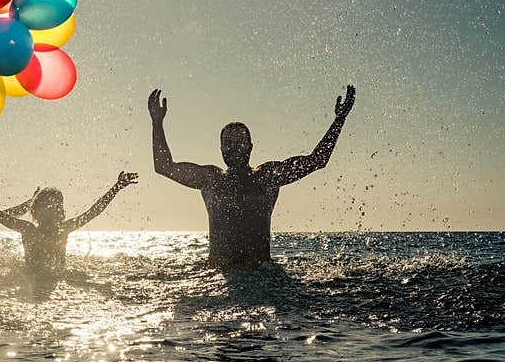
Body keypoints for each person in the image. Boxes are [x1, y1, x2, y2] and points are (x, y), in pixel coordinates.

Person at [149, 85, 356, 269]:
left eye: (238, 142)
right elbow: (164, 167)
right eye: (228, 144)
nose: (233, 148)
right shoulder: (210, 178)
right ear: (221, 149)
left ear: (250, 147)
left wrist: (339, 120)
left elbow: (316, 161)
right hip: (218, 275)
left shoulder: (267, 176)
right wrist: (157, 123)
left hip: (262, 275)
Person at [0, 164, 138, 274]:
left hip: (46, 279)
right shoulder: (34, 230)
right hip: (44, 279)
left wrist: (117, 187)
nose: (53, 210)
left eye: (56, 206)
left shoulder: (50, 229)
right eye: (49, 206)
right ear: (37, 210)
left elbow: (94, 211)